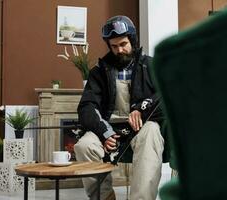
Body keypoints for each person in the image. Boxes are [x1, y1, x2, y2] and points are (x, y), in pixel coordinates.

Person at [74, 15, 165, 200]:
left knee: (152, 133)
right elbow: (86, 106)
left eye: (123, 44)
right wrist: (103, 132)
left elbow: (166, 95)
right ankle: (105, 197)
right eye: (114, 46)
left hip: (141, 127)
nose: (119, 50)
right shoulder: (98, 72)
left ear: (132, 40)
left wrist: (142, 109)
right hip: (109, 128)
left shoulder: (152, 65)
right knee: (83, 146)